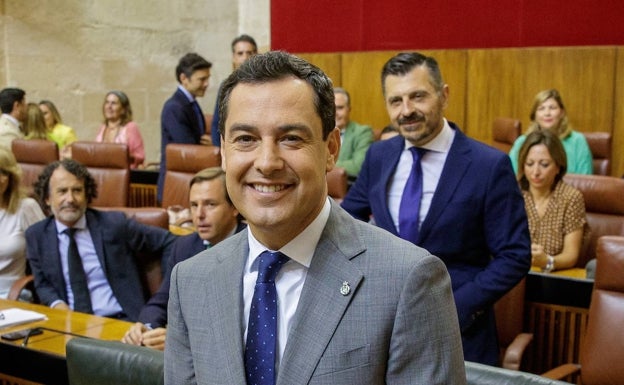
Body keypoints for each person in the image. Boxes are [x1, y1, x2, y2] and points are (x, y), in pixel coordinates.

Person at [164, 51, 465, 384]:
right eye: (246, 139)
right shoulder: (190, 280)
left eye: (291, 138)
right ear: (223, 152)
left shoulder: (408, 280)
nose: (267, 162)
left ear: (331, 149)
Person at [341, 52, 531, 365]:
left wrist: (457, 307)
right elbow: (346, 225)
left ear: (444, 95)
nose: (407, 111)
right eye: (396, 100)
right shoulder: (379, 157)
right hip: (385, 331)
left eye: (418, 96)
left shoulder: (489, 165)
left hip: (461, 336)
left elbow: (515, 255)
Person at [25, 159, 176, 320]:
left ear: (87, 195)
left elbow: (170, 241)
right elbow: (42, 284)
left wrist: (164, 295)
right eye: (62, 191)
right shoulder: (37, 235)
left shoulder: (114, 224)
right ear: (47, 198)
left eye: (77, 190)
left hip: (121, 321)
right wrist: (56, 303)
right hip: (69, 323)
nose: (70, 199)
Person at [122, 167, 245, 350]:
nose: (199, 215)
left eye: (210, 204)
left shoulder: (254, 246)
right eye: (194, 205)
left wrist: (181, 340)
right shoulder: (184, 246)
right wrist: (145, 328)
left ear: (234, 206)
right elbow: (162, 301)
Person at [517, 129, 587, 272]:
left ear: (558, 166)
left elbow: (571, 255)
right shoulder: (513, 193)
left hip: (554, 278)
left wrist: (547, 261)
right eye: (529, 164)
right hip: (513, 275)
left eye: (544, 164)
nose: (535, 172)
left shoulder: (570, 198)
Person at [158, 53, 213, 203]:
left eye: (207, 78)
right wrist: (212, 148)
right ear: (184, 79)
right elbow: (187, 149)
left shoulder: (191, 104)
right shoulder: (174, 107)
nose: (207, 83)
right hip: (177, 186)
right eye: (202, 79)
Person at [509, 89, 593, 175]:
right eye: (541, 109)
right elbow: (511, 177)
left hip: (569, 188)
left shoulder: (578, 141)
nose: (547, 113)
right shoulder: (522, 142)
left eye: (552, 108)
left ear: (562, 112)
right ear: (535, 115)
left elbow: (585, 180)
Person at [0, 147, 45, 298]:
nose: (0, 179)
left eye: (4, 173)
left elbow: (49, 255)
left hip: (11, 294)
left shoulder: (26, 208)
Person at [210, 34, 258, 148]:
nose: (245, 57)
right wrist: (221, 152)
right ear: (234, 57)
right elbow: (217, 122)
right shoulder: (226, 86)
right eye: (240, 53)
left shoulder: (267, 85)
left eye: (249, 53)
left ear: (256, 55)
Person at [95, 91, 145, 169]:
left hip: (123, 174)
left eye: (113, 103)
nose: (109, 106)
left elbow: (140, 156)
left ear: (123, 110)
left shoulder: (131, 127)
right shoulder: (103, 127)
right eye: (107, 102)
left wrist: (120, 155)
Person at [333, 87, 374, 179]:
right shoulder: (319, 133)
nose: (335, 113)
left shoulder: (363, 132)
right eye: (331, 108)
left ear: (349, 109)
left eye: (340, 108)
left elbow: (357, 166)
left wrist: (323, 164)